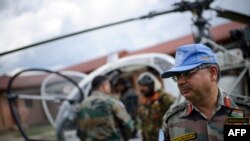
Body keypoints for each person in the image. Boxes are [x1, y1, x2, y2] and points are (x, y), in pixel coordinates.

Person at [161, 43, 246, 141]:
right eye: (177, 76)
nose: (180, 82)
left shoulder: (245, 110)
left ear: (212, 73)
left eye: (187, 73)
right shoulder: (171, 121)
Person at [76, 75, 134, 141]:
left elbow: (80, 131)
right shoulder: (112, 102)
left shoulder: (82, 105)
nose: (110, 88)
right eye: (109, 85)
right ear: (104, 86)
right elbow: (128, 126)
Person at [137, 72, 175, 141]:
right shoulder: (145, 101)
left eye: (144, 86)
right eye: (141, 86)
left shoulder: (164, 98)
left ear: (151, 85)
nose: (142, 89)